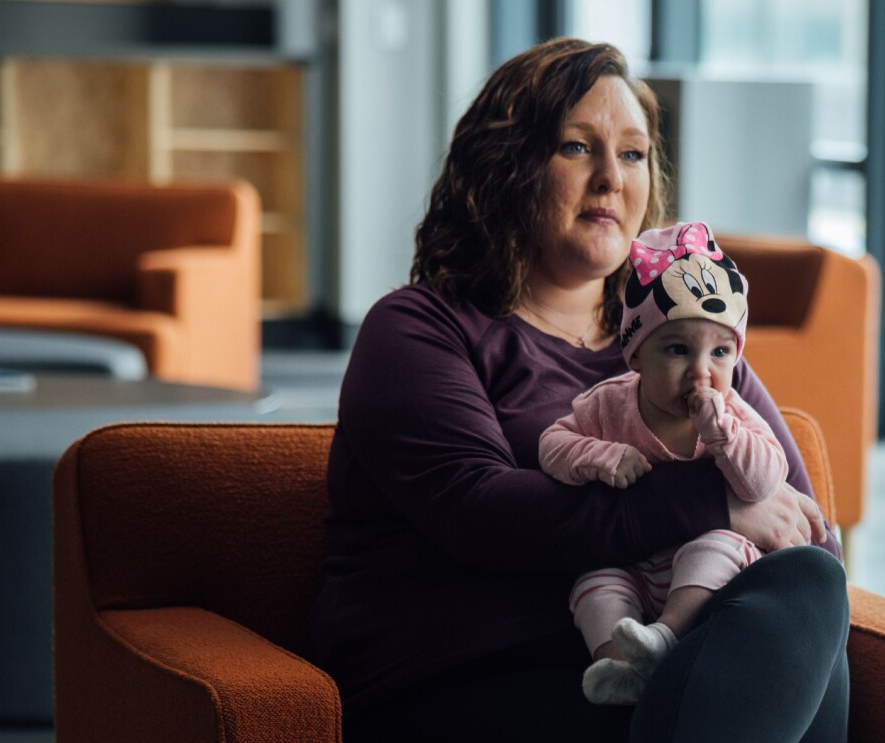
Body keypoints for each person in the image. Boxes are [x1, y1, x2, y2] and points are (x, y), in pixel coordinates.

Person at [311, 37, 850, 743]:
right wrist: (712, 499)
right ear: (505, 167)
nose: (610, 179)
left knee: (805, 590)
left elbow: (800, 529)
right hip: (470, 675)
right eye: (576, 147)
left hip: (661, 674)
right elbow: (482, 514)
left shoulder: (690, 344)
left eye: (631, 153)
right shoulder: (418, 329)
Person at [539, 222, 790, 705]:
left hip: (703, 579)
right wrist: (600, 455)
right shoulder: (609, 404)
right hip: (632, 563)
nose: (701, 371)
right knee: (593, 580)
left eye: (720, 353)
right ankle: (619, 665)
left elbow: (765, 482)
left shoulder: (734, 411)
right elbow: (553, 443)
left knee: (719, 544)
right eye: (678, 350)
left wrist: (724, 436)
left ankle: (667, 637)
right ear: (636, 356)